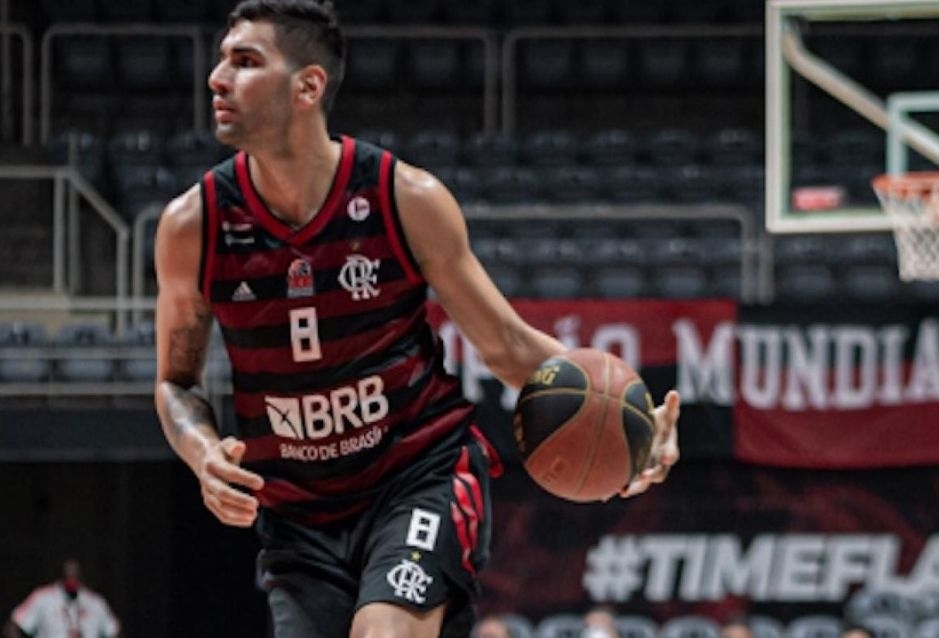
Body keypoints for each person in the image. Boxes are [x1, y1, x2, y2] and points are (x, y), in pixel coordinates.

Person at [153, 1, 682, 636]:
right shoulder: (194, 225)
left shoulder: (403, 198)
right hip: (298, 513)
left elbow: (507, 345)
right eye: (222, 60)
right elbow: (176, 383)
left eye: (244, 62)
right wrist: (202, 453)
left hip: (416, 477)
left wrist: (634, 420)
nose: (217, 78)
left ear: (307, 86)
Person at [4, 560, 121, 638]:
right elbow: (12, 627)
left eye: (75, 574)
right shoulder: (42, 597)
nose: (72, 578)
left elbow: (114, 631)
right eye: (68, 574)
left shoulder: (96, 602)